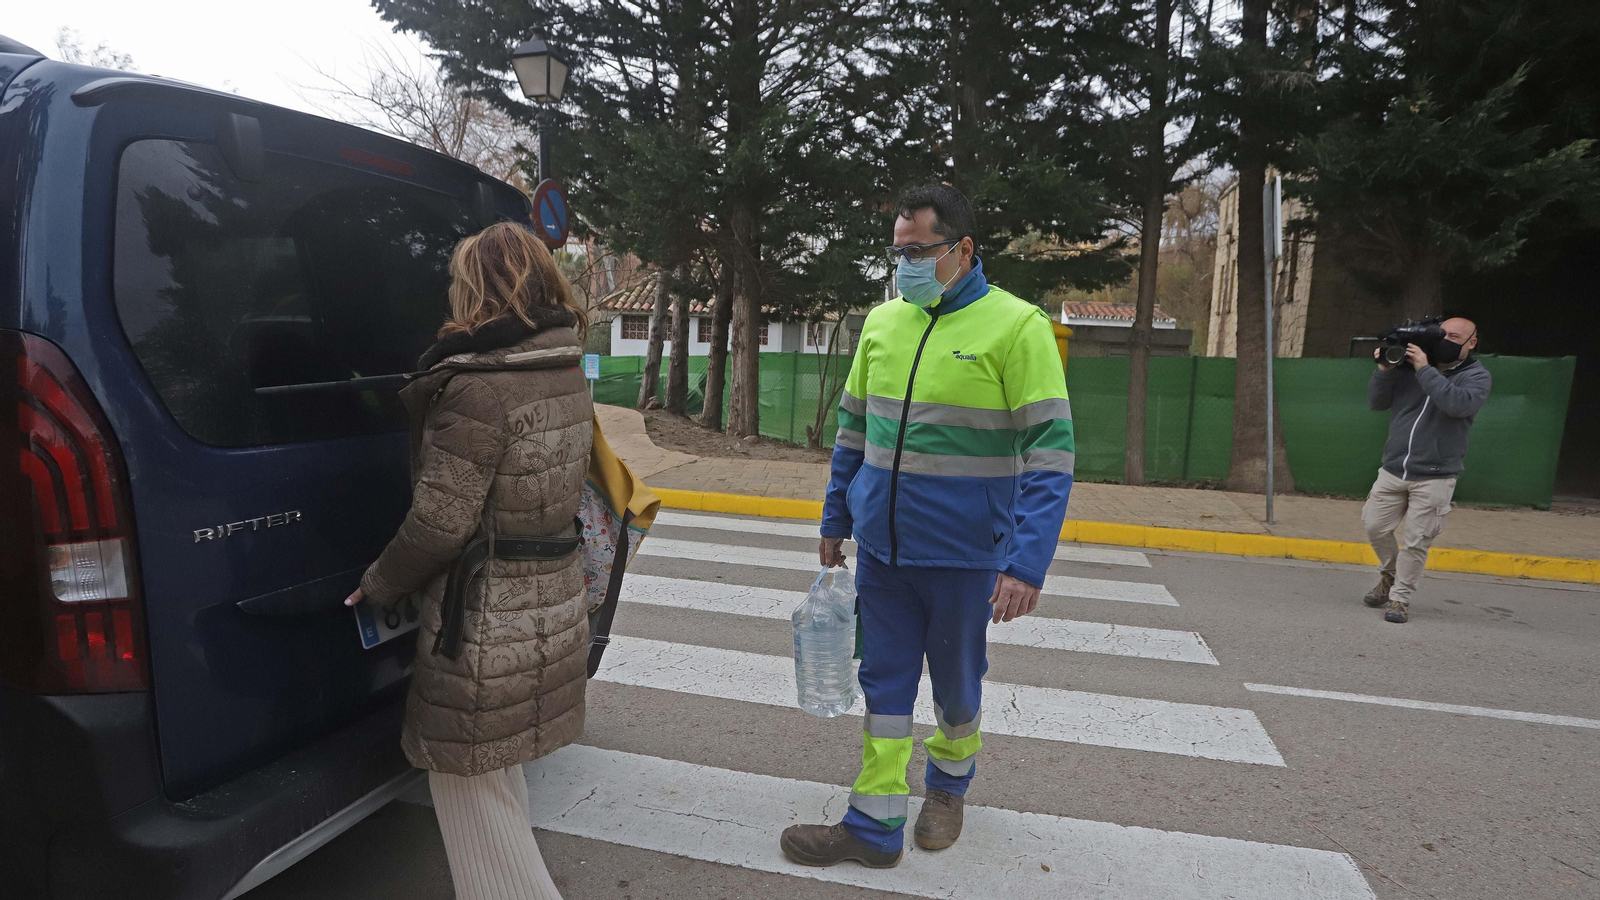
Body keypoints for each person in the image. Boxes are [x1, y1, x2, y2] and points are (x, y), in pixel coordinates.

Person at [781, 184, 1075, 868]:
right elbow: (853, 432)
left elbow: (1051, 458)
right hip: (884, 554)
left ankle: (947, 787)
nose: (903, 263)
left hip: (966, 557)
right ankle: (874, 824)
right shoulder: (884, 324)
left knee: (955, 686)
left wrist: (1026, 564)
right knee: (883, 685)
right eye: (897, 250)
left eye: (918, 250)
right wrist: (835, 516)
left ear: (962, 249)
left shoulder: (1017, 327)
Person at [344, 222, 593, 900]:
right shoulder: (563, 365)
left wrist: (380, 582)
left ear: (476, 287)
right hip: (548, 601)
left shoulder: (477, 389)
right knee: (492, 770)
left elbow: (438, 522)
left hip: (483, 619)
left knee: (462, 774)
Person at [1362, 316, 1490, 624]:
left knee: (1417, 541)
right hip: (1394, 469)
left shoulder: (1477, 376)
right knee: (1374, 526)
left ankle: (1400, 599)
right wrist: (1384, 370)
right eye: (1441, 333)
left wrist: (1424, 369)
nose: (1445, 339)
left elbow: (1456, 405)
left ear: (1471, 342)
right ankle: (1390, 574)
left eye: (1455, 336)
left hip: (1436, 474)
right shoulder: (1408, 367)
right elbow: (1376, 402)